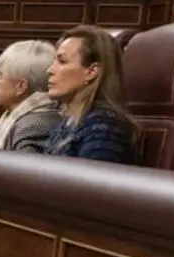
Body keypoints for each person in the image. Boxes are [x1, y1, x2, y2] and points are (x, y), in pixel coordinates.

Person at [43, 25, 138, 163]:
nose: (49, 70)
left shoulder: (106, 128)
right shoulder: (69, 121)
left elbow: (89, 183)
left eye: (62, 61)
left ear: (92, 72)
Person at [0, 40, 61, 153]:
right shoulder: (25, 117)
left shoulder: (32, 126)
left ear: (21, 86)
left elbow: (22, 170)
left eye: (1, 76)